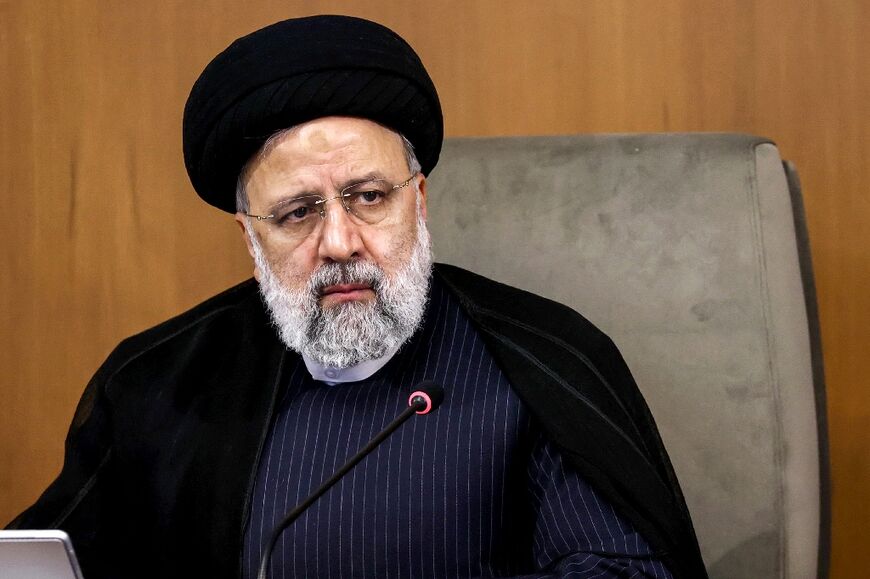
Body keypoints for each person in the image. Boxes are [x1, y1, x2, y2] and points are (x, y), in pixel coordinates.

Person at [9, 15, 708, 579]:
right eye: (297, 212)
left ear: (419, 200)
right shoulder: (162, 381)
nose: (340, 242)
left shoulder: (539, 363)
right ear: (250, 235)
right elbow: (41, 559)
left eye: (368, 197)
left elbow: (623, 568)